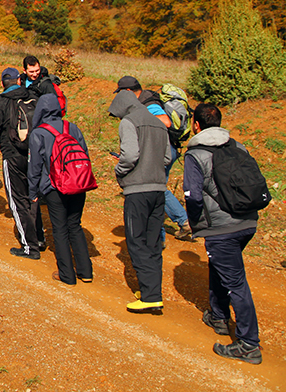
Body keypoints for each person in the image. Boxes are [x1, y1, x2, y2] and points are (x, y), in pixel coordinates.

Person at [183, 103, 262, 364]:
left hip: (221, 228)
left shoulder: (195, 155)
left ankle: (249, 344)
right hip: (247, 221)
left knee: (235, 281)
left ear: (196, 124)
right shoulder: (237, 146)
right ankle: (218, 315)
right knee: (220, 267)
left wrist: (197, 223)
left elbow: (193, 196)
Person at [109, 86, 171, 314]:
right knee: (153, 242)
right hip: (158, 189)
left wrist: (120, 170)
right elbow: (166, 157)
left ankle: (151, 296)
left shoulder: (128, 122)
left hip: (137, 190)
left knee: (136, 242)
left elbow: (130, 155)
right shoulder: (157, 122)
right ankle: (151, 290)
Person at [115, 75, 192, 243]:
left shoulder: (149, 103)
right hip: (162, 148)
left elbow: (166, 122)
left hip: (163, 149)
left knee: (156, 187)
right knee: (156, 188)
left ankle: (176, 225)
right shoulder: (144, 102)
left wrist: (139, 121)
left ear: (128, 91)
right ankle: (168, 229)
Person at [28, 93, 94, 284]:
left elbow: (35, 166)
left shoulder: (39, 133)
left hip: (54, 187)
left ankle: (67, 274)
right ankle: (85, 271)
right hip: (78, 184)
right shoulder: (73, 128)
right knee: (75, 225)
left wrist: (33, 192)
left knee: (59, 229)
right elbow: (85, 156)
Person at [0, 67, 45, 259]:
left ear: (3, 83)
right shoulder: (33, 98)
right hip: (35, 154)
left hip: (12, 155)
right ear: (19, 80)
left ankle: (29, 246)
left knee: (17, 199)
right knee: (33, 196)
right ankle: (38, 237)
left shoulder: (1, 101)